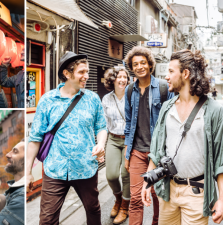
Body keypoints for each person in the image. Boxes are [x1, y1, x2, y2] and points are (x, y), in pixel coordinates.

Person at [142, 49, 223, 225]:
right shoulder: (167, 107)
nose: (166, 77)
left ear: (185, 73)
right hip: (168, 190)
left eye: (171, 71)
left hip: (196, 193)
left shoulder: (214, 111)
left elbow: (222, 161)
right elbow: (157, 148)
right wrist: (147, 181)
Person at [26, 51, 107, 225]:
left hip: (86, 167)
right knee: (47, 219)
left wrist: (100, 143)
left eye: (87, 71)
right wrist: (27, 174)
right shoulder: (47, 100)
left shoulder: (92, 99)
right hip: (55, 169)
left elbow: (101, 127)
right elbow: (35, 139)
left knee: (93, 209)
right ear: (67, 74)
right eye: (81, 72)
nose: (86, 76)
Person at [123, 46, 174, 225]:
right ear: (131, 67)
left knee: (158, 196)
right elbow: (129, 124)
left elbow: (171, 120)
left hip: (158, 152)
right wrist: (127, 152)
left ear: (150, 64)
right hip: (137, 151)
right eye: (135, 64)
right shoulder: (130, 91)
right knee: (135, 198)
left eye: (143, 63)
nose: (139, 67)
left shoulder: (163, 87)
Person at [102, 66, 131, 224]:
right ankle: (118, 199)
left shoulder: (132, 96)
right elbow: (104, 124)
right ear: (112, 80)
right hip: (113, 139)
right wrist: (101, 143)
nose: (122, 80)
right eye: (119, 77)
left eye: (125, 77)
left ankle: (125, 207)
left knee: (126, 174)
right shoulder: (106, 99)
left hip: (128, 139)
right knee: (111, 175)